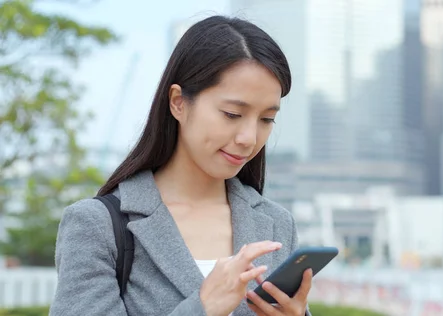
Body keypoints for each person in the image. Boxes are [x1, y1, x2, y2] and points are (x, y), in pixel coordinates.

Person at [49, 15, 312, 316]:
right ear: (178, 102)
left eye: (266, 119)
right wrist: (204, 308)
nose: (249, 138)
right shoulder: (97, 226)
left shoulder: (277, 225)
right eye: (231, 114)